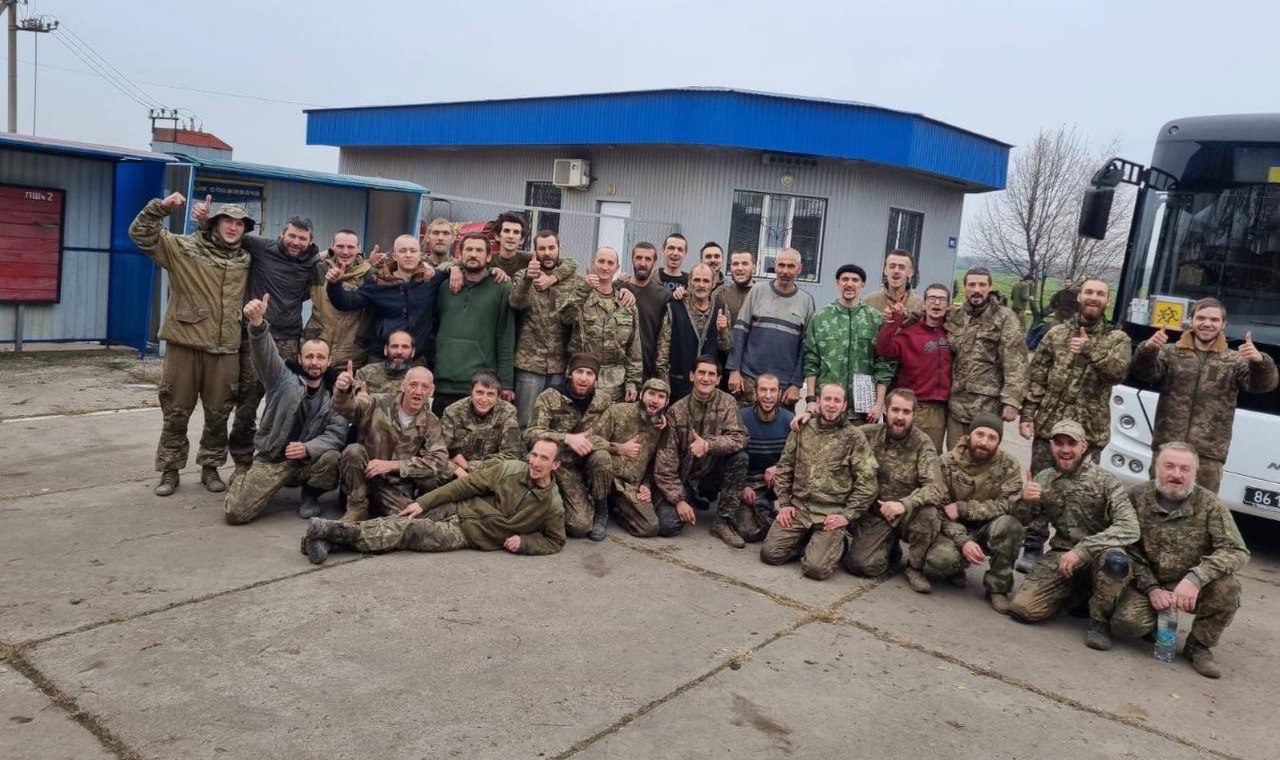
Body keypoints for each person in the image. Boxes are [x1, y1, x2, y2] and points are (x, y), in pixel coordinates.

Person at [127, 192, 251, 496]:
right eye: (227, 221)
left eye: (239, 224)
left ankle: (211, 467)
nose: (233, 227)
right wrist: (161, 207)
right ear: (215, 223)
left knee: (219, 414)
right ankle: (170, 469)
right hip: (185, 345)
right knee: (176, 411)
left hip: (225, 349)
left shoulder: (247, 259)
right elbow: (141, 234)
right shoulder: (184, 248)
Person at [1106, 442, 1250, 678]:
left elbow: (1236, 551)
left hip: (1190, 587)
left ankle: (1199, 647)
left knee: (1228, 588)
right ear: (1156, 467)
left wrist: (1196, 578)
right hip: (1146, 584)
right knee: (1127, 625)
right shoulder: (1135, 497)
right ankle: (1156, 623)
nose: (1176, 474)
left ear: (1195, 473)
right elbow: (1124, 545)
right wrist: (1151, 588)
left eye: (1185, 469)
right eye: (1169, 466)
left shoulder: (1210, 504)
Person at [300, 438, 567, 564]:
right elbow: (465, 485)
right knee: (402, 518)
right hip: (456, 507)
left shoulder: (552, 506)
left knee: (409, 530)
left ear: (555, 464)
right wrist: (424, 503)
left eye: (544, 458)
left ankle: (328, 532)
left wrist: (526, 543)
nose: (535, 462)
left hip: (466, 533)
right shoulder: (509, 470)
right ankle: (328, 541)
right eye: (533, 455)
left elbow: (555, 541)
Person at [1017, 278, 1131, 572]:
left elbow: (1117, 372)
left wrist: (1090, 350)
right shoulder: (1056, 333)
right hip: (1050, 426)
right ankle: (1033, 544)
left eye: (1100, 294)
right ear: (1079, 297)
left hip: (1089, 431)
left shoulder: (1117, 339)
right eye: (1089, 292)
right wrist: (1027, 414)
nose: (1094, 297)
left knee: (1085, 494)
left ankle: (1075, 550)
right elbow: (1037, 375)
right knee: (1041, 486)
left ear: (1107, 301)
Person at [1007, 420, 1140, 651]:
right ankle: (1077, 593)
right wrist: (1023, 500)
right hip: (1062, 554)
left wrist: (1083, 550)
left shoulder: (1106, 482)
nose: (1065, 449)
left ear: (1084, 446)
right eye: (1059, 443)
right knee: (1023, 609)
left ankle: (1099, 622)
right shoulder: (1045, 478)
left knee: (1115, 560)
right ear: (1051, 446)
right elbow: (1021, 519)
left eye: (1072, 443)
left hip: (1100, 554)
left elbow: (1130, 528)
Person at [1131, 297, 1278, 492]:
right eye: (1201, 318)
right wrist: (1148, 351)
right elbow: (1144, 373)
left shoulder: (1234, 360)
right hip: (1168, 448)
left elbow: (1262, 386)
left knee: (1201, 507)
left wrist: (1260, 362)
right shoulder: (1171, 352)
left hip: (1208, 455)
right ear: (1191, 321)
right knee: (1158, 501)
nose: (1207, 324)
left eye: (1214, 320)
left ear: (1223, 324)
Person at [223, 294, 347, 525]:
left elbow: (336, 434)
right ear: (300, 358)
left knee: (332, 458)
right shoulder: (280, 378)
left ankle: (310, 494)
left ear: (329, 361)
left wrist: (308, 448)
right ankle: (246, 476)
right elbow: (265, 354)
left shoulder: (335, 394)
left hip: (306, 461)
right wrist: (257, 324)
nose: (314, 362)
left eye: (320, 357)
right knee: (235, 513)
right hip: (272, 459)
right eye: (309, 356)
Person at [226, 214, 324, 473]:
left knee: (287, 403)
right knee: (248, 402)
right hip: (256, 338)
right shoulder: (260, 246)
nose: (296, 242)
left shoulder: (312, 261)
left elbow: (336, 262)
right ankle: (242, 461)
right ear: (282, 234)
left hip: (290, 341)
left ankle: (278, 457)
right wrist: (204, 221)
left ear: (310, 240)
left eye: (302, 238)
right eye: (292, 236)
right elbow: (230, 236)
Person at [761, 383, 878, 580]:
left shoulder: (854, 437)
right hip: (800, 509)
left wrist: (847, 515)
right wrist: (785, 504)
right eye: (827, 399)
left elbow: (868, 483)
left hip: (830, 515)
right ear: (818, 401)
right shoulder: (802, 429)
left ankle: (836, 544)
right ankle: (808, 541)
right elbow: (785, 467)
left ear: (844, 405)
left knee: (815, 569)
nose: (831, 405)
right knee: (770, 554)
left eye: (837, 400)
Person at [843, 388, 946, 593]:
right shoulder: (868, 434)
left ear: (914, 415)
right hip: (877, 515)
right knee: (860, 566)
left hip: (907, 515)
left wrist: (904, 504)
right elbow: (836, 433)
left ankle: (914, 567)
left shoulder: (923, 443)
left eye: (906, 412)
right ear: (886, 411)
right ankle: (890, 548)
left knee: (929, 514)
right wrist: (808, 418)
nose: (900, 417)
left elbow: (935, 488)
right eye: (895, 410)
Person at [921, 414, 1025, 613]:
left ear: (999, 441)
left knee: (1010, 525)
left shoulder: (1009, 466)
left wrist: (966, 508)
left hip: (988, 528)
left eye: (992, 437)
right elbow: (939, 509)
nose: (984, 442)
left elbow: (1008, 505)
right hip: (952, 530)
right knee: (939, 560)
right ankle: (956, 567)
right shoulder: (946, 462)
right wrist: (963, 541)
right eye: (980, 434)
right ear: (970, 435)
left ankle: (997, 588)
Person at [331, 363, 449, 522]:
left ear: (431, 391)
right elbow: (349, 408)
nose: (418, 391)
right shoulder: (378, 403)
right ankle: (358, 507)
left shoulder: (431, 422)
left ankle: (375, 513)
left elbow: (438, 461)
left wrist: (393, 465)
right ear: (403, 385)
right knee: (354, 451)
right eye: (413, 385)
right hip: (364, 475)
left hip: (394, 486)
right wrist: (343, 391)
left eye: (424, 387)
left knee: (411, 520)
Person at [653, 356, 752, 547]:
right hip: (686, 478)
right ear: (692, 376)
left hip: (714, 474)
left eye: (711, 374)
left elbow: (740, 437)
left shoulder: (728, 403)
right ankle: (689, 499)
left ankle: (723, 521)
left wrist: (708, 445)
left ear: (718, 379)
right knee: (667, 525)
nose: (706, 378)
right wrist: (679, 500)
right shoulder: (676, 411)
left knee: (740, 458)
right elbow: (665, 463)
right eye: (701, 373)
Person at [525, 353, 613, 538]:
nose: (583, 378)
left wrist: (656, 417)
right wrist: (566, 438)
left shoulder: (604, 400)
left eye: (589, 373)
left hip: (587, 461)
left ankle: (601, 510)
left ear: (596, 378)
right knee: (579, 527)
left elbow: (624, 417)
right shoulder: (550, 397)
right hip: (559, 465)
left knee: (603, 457)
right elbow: (531, 434)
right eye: (579, 372)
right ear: (570, 374)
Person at [325, 234, 445, 367]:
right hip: (381, 358)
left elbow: (456, 267)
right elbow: (346, 302)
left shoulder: (432, 280)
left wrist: (455, 268)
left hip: (416, 359)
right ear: (394, 256)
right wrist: (335, 284)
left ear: (420, 255)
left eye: (413, 251)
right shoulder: (378, 281)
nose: (408, 255)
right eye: (402, 251)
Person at [944, 267, 1027, 449]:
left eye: (982, 285)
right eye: (972, 284)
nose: (977, 289)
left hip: (988, 407)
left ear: (990, 287)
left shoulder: (1004, 318)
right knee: (954, 456)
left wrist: (1011, 401)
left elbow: (1016, 362)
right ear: (965, 287)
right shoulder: (956, 316)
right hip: (957, 404)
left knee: (983, 457)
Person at [432, 233, 515, 414]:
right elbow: (433, 330)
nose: (473, 254)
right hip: (443, 381)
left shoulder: (502, 288)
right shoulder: (444, 287)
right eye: (469, 249)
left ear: (488, 257)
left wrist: (506, 382)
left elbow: (506, 337)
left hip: (480, 385)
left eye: (479, 250)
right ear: (460, 255)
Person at [509, 230, 585, 427]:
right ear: (535, 252)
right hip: (529, 364)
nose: (548, 253)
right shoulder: (523, 276)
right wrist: (528, 279)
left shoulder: (573, 280)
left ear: (559, 249)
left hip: (560, 364)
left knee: (554, 422)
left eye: (552, 247)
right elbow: (516, 302)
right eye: (542, 248)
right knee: (525, 421)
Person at [801, 263, 894, 423]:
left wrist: (879, 404)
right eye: (844, 279)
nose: (849, 284)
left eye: (855, 280)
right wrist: (810, 400)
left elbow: (883, 364)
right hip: (827, 407)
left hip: (863, 410)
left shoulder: (875, 319)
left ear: (862, 284)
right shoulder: (821, 317)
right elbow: (811, 360)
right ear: (837, 283)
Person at [726, 248, 815, 407]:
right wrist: (735, 370)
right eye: (781, 265)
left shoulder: (806, 301)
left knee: (782, 423)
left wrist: (796, 384)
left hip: (783, 388)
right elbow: (740, 332)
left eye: (790, 266)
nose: (785, 271)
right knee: (742, 421)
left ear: (799, 268)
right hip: (749, 380)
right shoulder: (758, 291)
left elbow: (806, 348)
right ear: (775, 266)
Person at [591, 378, 674, 540]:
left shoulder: (663, 428)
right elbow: (592, 440)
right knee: (600, 457)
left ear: (666, 402)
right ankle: (600, 512)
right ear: (641, 394)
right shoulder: (617, 411)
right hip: (602, 476)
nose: (654, 400)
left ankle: (616, 508)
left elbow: (656, 462)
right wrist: (618, 448)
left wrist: (646, 485)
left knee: (649, 527)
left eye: (660, 397)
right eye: (651, 394)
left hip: (629, 485)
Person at [874, 283, 953, 452]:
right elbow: (884, 348)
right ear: (924, 304)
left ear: (948, 306)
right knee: (903, 454)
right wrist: (893, 322)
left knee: (930, 454)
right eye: (932, 298)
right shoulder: (910, 333)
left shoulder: (953, 334)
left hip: (939, 408)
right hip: (914, 404)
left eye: (941, 299)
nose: (936, 303)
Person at [562, 247, 642, 402]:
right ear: (593, 263)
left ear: (617, 268)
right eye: (601, 261)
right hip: (582, 380)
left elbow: (634, 349)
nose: (605, 267)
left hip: (616, 384)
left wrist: (632, 382)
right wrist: (584, 290)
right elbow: (565, 318)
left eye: (610, 263)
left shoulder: (626, 303)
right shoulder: (580, 295)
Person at [659, 263, 731, 401]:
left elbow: (726, 350)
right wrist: (665, 388)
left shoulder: (722, 309)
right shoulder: (674, 308)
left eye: (706, 281)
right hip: (679, 385)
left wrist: (722, 332)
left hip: (709, 386)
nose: (701, 285)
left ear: (713, 284)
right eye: (696, 280)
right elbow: (662, 354)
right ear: (689, 282)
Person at [439, 371, 524, 482]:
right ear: (471, 392)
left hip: (490, 473)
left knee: (514, 469)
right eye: (479, 392)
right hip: (456, 473)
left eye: (490, 394)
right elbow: (438, 453)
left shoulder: (507, 412)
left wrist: (470, 466)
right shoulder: (453, 412)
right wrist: (456, 469)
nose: (484, 399)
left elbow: (511, 455)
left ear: (498, 396)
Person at [305, 229, 373, 369]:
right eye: (340, 246)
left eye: (351, 247)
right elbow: (295, 264)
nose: (345, 252)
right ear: (332, 246)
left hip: (352, 355)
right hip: (317, 350)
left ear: (359, 248)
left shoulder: (370, 274)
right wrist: (319, 256)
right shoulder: (318, 270)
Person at [738, 374, 794, 536]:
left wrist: (779, 467)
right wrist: (741, 486)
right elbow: (728, 458)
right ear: (754, 393)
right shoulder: (741, 417)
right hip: (749, 483)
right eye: (763, 390)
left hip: (776, 481)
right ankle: (763, 509)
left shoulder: (789, 420)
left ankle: (775, 510)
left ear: (779, 393)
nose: (768, 396)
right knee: (748, 532)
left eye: (773, 390)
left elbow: (799, 457)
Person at [619, 241, 673, 381]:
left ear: (654, 262)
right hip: (617, 371)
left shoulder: (663, 296)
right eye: (638, 258)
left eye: (648, 259)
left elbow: (665, 338)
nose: (643, 263)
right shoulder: (617, 289)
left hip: (647, 371)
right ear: (632, 259)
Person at [864, 249, 924, 320]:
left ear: (910, 272)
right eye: (892, 266)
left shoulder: (920, 304)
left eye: (901, 267)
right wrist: (880, 319)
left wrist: (905, 315)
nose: (896, 271)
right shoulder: (869, 302)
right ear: (885, 270)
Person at [356, 330, 419, 395]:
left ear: (413, 352)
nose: (399, 352)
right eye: (394, 346)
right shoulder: (366, 373)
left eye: (405, 347)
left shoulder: (420, 378)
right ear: (385, 350)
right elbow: (352, 399)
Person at [712, 249, 755, 325]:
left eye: (745, 264)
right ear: (730, 268)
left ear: (754, 267)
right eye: (735, 264)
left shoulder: (762, 294)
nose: (740, 268)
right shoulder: (721, 294)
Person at [491, 212, 530, 279]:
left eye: (516, 232)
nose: (511, 236)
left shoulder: (528, 260)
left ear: (522, 240)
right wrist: (489, 271)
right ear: (497, 236)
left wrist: (550, 278)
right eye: (506, 231)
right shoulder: (487, 259)